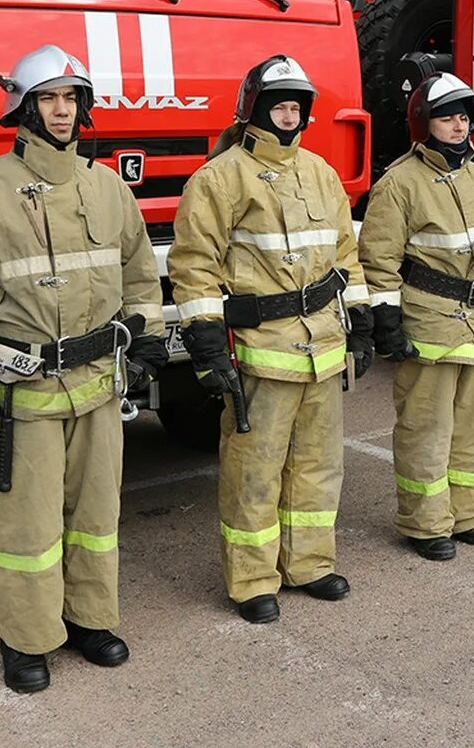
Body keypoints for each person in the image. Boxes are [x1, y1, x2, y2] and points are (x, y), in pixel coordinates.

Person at [0, 45, 167, 694]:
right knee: (24, 526)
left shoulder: (109, 188)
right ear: (24, 108)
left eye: (71, 99)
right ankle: (26, 639)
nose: (62, 111)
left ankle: (90, 620)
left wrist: (147, 339)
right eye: (49, 99)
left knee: (96, 514)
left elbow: (141, 274)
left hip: (99, 389)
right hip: (24, 390)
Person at [168, 55, 370, 624]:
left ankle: (308, 564)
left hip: (323, 348)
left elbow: (345, 256)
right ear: (254, 110)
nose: (289, 116)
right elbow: (195, 267)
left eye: (296, 107)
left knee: (318, 464)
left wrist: (362, 324)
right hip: (261, 351)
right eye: (278, 106)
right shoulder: (219, 178)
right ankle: (253, 578)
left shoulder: (322, 173)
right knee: (253, 471)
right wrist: (206, 344)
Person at [358, 73, 474, 559]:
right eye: (447, 116)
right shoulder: (399, 183)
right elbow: (378, 259)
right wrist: (386, 321)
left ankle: (470, 515)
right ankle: (426, 524)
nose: (458, 124)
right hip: (429, 323)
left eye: (463, 115)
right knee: (426, 429)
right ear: (423, 123)